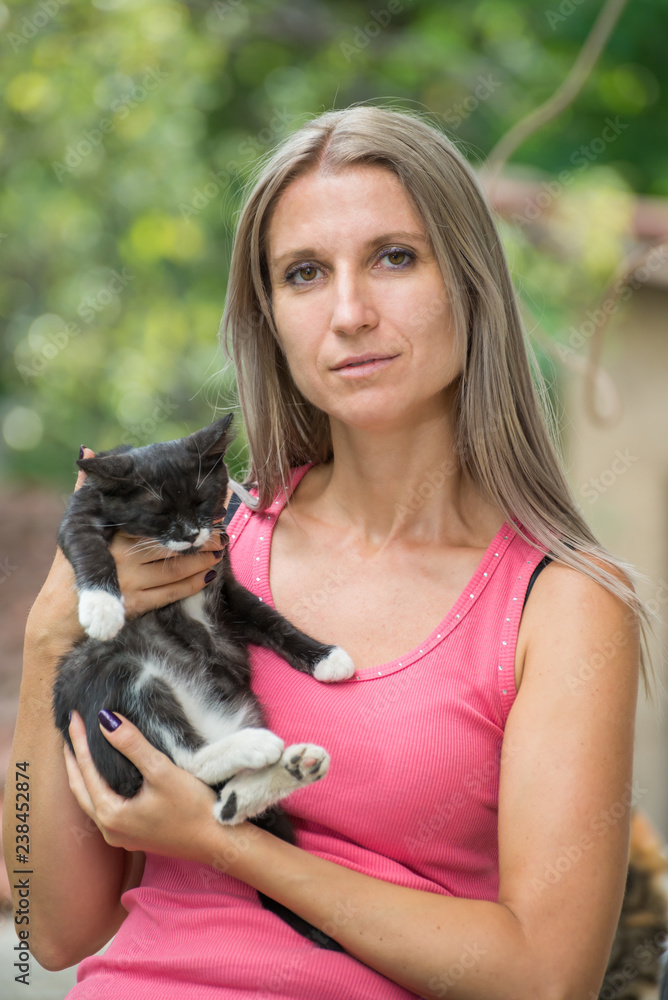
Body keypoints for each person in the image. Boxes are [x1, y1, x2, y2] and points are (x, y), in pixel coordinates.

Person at [3, 105, 650, 999]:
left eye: (394, 257)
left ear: (469, 283)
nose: (349, 313)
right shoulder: (191, 551)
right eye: (304, 274)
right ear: (270, 318)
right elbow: (48, 924)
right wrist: (49, 648)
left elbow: (546, 978)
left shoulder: (559, 605)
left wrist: (221, 841)